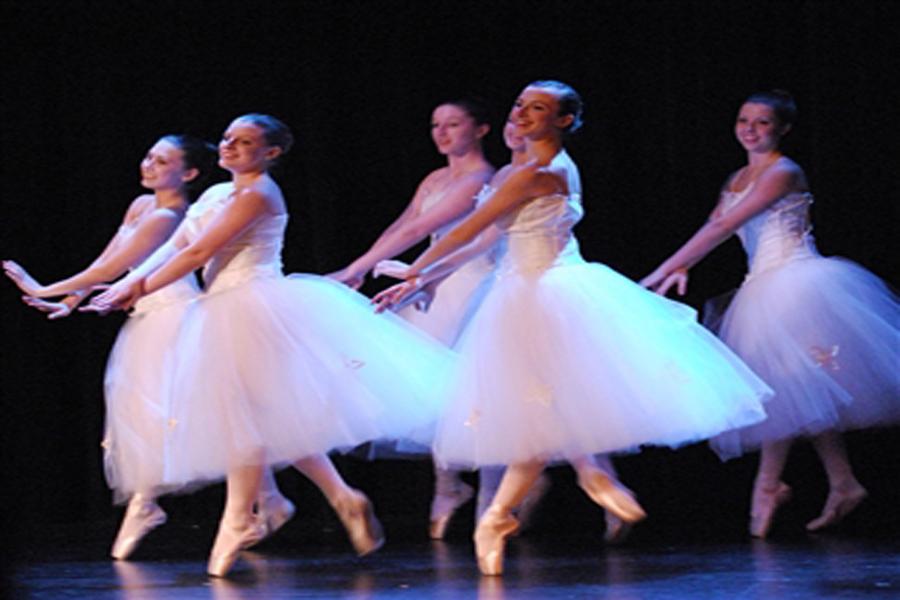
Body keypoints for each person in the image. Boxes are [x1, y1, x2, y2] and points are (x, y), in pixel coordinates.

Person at [374, 81, 772, 575]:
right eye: (519, 104)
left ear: (562, 121)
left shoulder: (540, 172)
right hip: (524, 291)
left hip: (547, 291)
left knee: (544, 408)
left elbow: (468, 228)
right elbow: (491, 237)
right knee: (539, 411)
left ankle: (516, 506)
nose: (520, 113)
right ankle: (529, 501)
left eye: (536, 109)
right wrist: (424, 277)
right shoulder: (525, 170)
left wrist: (415, 269)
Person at [84, 114, 453, 577]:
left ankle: (238, 520)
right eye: (227, 139)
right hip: (218, 310)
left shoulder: (259, 193)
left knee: (248, 419)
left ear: (270, 153)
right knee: (267, 418)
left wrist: (134, 290)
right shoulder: (220, 194)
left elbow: (198, 255)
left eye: (245, 142)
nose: (231, 147)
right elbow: (176, 246)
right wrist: (128, 283)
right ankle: (342, 498)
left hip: (254, 308)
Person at [0, 134, 294, 560]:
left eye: (162, 160)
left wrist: (47, 287)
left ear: (188, 173)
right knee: (154, 410)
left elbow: (132, 266)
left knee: (177, 412)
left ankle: (156, 504)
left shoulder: (170, 215)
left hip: (172, 312)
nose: (149, 165)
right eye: (149, 156)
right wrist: (71, 299)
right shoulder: (142, 206)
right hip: (143, 311)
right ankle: (262, 498)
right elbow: (108, 262)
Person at [641, 90, 900, 538]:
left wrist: (674, 265)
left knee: (788, 387)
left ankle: (769, 485)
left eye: (762, 122)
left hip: (798, 286)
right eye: (744, 119)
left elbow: (724, 226)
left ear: (782, 129)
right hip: (760, 287)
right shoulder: (738, 176)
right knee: (803, 392)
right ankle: (841, 482)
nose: (750, 128)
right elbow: (715, 225)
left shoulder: (783, 172)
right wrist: (683, 259)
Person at [331, 99, 497, 539]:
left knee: (469, 390)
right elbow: (401, 224)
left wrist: (362, 268)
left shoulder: (482, 178)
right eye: (435, 124)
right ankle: (450, 485)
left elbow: (419, 233)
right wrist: (362, 265)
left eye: (453, 124)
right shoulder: (436, 178)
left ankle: (486, 489)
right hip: (427, 279)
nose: (442, 133)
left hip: (466, 279)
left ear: (480, 129)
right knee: (431, 391)